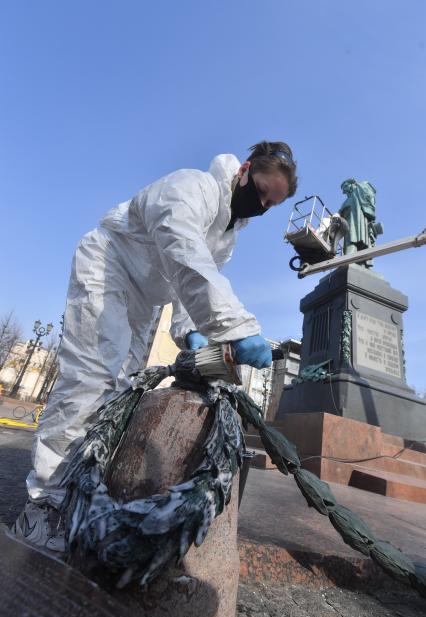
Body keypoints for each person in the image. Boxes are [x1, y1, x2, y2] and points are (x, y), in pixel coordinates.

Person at [12, 140, 297, 552]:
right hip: (109, 267)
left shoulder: (226, 238)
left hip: (145, 299)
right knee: (90, 381)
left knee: (117, 392)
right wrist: (236, 327)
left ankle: (79, 490)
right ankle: (42, 508)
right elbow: (183, 254)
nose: (263, 205)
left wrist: (193, 332)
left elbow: (185, 289)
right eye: (262, 190)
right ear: (244, 169)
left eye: (271, 203)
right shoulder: (192, 187)